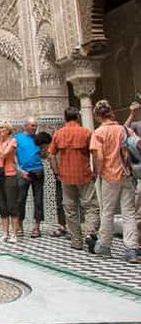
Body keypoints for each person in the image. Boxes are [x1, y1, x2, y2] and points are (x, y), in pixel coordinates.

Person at [91, 100, 139, 263]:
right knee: (129, 212)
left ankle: (104, 245)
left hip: (109, 176)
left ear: (97, 115)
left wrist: (97, 172)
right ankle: (131, 249)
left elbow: (98, 156)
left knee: (108, 211)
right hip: (126, 174)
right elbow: (135, 142)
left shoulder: (98, 133)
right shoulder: (122, 129)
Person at [49, 107, 98, 251]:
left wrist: (57, 172)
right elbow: (94, 153)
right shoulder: (86, 132)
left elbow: (51, 155)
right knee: (91, 206)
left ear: (65, 118)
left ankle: (76, 240)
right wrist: (95, 171)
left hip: (66, 176)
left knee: (70, 209)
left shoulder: (59, 134)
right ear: (77, 117)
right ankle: (90, 232)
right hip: (84, 174)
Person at [15, 117, 44, 238]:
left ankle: (36, 227)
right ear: (26, 126)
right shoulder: (18, 138)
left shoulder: (38, 139)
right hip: (24, 172)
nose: (34, 128)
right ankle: (19, 225)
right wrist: (20, 171)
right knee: (20, 200)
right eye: (32, 125)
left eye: (35, 126)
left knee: (38, 199)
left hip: (37, 171)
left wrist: (45, 148)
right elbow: (13, 156)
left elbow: (44, 155)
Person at [35, 131, 67, 238]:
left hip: (62, 178)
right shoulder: (55, 147)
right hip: (62, 178)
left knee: (64, 202)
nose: (41, 150)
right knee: (61, 202)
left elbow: (52, 159)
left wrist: (57, 174)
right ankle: (63, 227)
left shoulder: (52, 150)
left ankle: (67, 228)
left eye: (41, 147)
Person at [0, 121, 21, 243]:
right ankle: (5, 233)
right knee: (2, 205)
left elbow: (4, 154)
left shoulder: (13, 141)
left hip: (10, 175)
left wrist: (0, 143)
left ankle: (15, 234)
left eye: (3, 129)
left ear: (8, 131)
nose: (0, 131)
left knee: (12, 205)